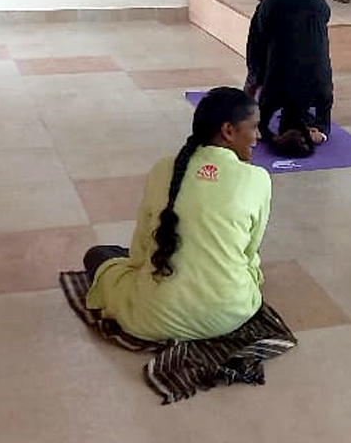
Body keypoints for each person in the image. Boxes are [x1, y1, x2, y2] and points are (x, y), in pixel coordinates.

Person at [83, 87, 272, 341]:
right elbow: (250, 253)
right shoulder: (258, 179)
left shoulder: (163, 169)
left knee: (98, 256)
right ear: (228, 131)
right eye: (254, 127)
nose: (258, 136)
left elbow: (139, 254)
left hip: (152, 319)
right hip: (232, 312)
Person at [243, 0, 333, 158]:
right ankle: (252, 78)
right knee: (259, 65)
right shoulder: (272, 96)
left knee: (262, 59)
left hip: (315, 3)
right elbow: (258, 127)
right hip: (279, 4)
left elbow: (324, 124)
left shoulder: (321, 93)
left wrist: (321, 134)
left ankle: (253, 77)